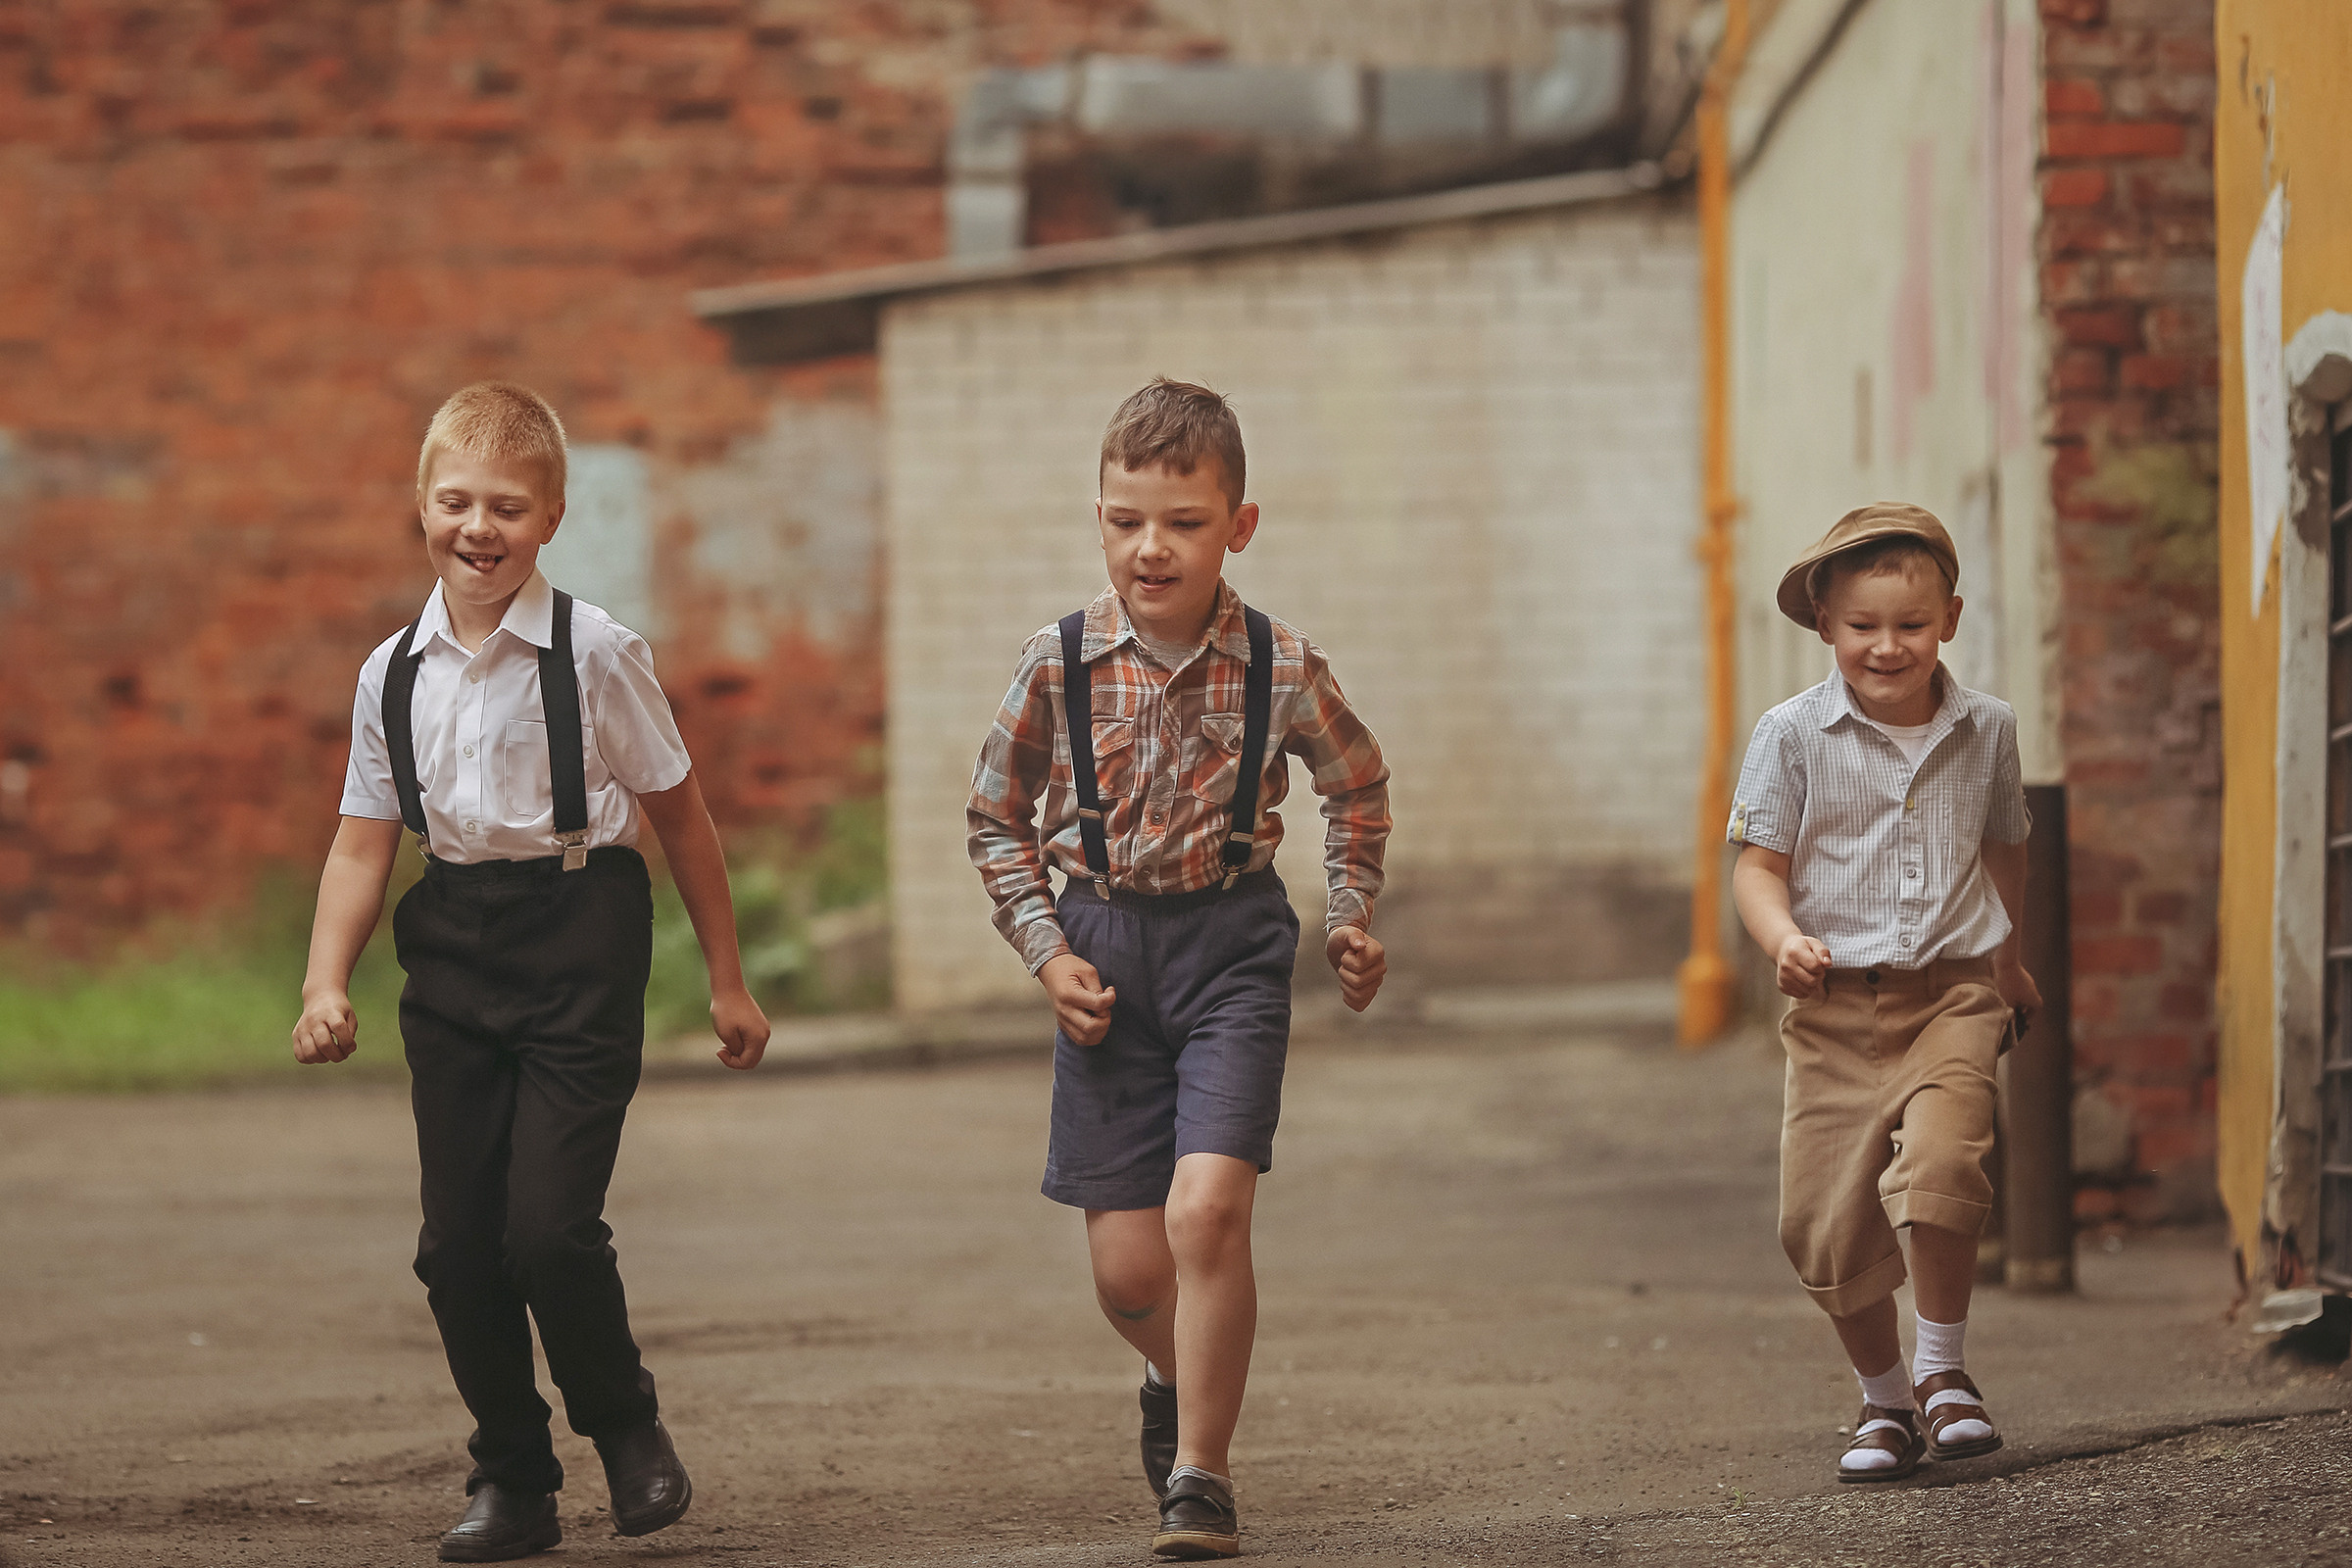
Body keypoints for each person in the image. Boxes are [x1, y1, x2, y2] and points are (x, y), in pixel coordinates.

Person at [289, 382, 771, 1562]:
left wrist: (727, 979)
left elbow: (683, 816)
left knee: (547, 1229)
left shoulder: (597, 652)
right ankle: (512, 1476)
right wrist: (324, 982)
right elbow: (363, 842)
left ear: (552, 515)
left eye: (508, 505)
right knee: (457, 1246)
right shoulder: (388, 674)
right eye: (456, 502)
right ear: (422, 507)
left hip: (578, 928)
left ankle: (626, 1427)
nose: (480, 527)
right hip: (451, 936)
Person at [966, 377, 1392, 1558]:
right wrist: (1045, 950)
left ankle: (1201, 1477)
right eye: (1123, 519)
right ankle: (1176, 1374)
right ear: (1099, 516)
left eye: (1183, 523)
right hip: (1100, 952)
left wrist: (1350, 911)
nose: (1150, 548)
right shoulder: (1054, 663)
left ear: (1237, 526)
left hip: (1231, 950)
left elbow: (1356, 783)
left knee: (1208, 1214)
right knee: (1128, 1274)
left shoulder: (1282, 664)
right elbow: (994, 818)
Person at [1729, 502, 2041, 1484]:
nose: (1886, 646)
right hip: (1832, 1009)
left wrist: (2010, 960)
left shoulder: (1987, 730)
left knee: (1945, 1165)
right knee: (1819, 1223)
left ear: (1949, 618)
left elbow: (2006, 849)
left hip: (1952, 992)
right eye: (1863, 626)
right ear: (1826, 624)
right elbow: (1756, 865)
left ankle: (1947, 1376)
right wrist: (1782, 940)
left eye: (1909, 624)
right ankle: (1887, 1397)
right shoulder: (1790, 735)